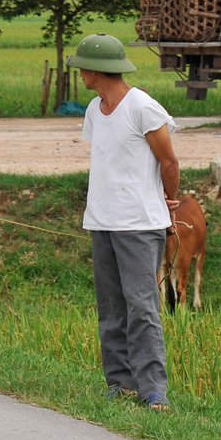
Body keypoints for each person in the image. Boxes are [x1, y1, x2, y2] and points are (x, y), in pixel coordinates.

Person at [68, 33, 180, 411]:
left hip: (138, 224)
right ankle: (120, 382)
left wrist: (169, 205)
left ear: (99, 69)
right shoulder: (94, 109)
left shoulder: (143, 107)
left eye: (83, 65)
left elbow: (170, 162)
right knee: (112, 308)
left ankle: (153, 390)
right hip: (102, 222)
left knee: (142, 307)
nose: (79, 72)